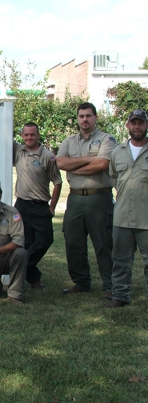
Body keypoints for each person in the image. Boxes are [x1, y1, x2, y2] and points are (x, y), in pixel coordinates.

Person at [56, 102, 117, 298]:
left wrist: (75, 167)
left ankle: (110, 286)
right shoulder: (69, 141)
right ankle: (81, 282)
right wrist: (90, 160)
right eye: (81, 116)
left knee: (103, 243)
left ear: (95, 117)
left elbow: (102, 164)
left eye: (88, 116)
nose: (85, 119)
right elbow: (60, 162)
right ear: (77, 118)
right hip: (74, 198)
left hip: (99, 198)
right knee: (73, 243)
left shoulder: (107, 139)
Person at [107, 110, 148, 310]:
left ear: (146, 125)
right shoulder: (118, 152)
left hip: (146, 218)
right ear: (128, 126)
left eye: (141, 123)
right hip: (122, 216)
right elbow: (114, 177)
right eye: (134, 123)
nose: (137, 127)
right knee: (121, 260)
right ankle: (120, 295)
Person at [13, 122, 62, 288]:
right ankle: (33, 279)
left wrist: (52, 207)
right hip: (22, 205)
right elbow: (0, 136)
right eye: (26, 134)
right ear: (22, 135)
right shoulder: (18, 150)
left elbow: (57, 182)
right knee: (24, 241)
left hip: (41, 205)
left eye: (32, 135)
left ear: (38, 135)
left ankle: (23, 267)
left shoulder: (47, 156)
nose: (28, 138)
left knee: (45, 239)